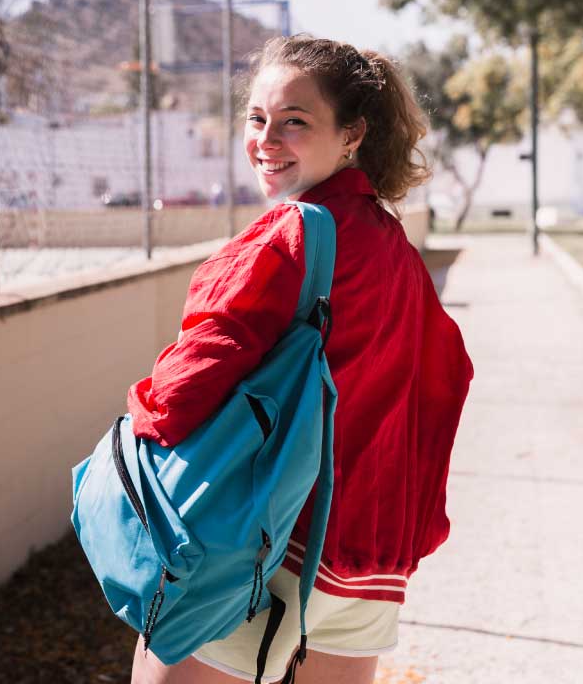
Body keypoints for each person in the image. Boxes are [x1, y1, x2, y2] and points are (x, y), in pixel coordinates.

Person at [126, 36, 473, 684]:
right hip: (368, 563)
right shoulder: (394, 248)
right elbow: (444, 380)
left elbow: (177, 398)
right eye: (257, 119)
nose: (266, 139)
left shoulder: (288, 236)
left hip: (266, 546)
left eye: (295, 122)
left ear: (351, 135)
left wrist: (136, 420)